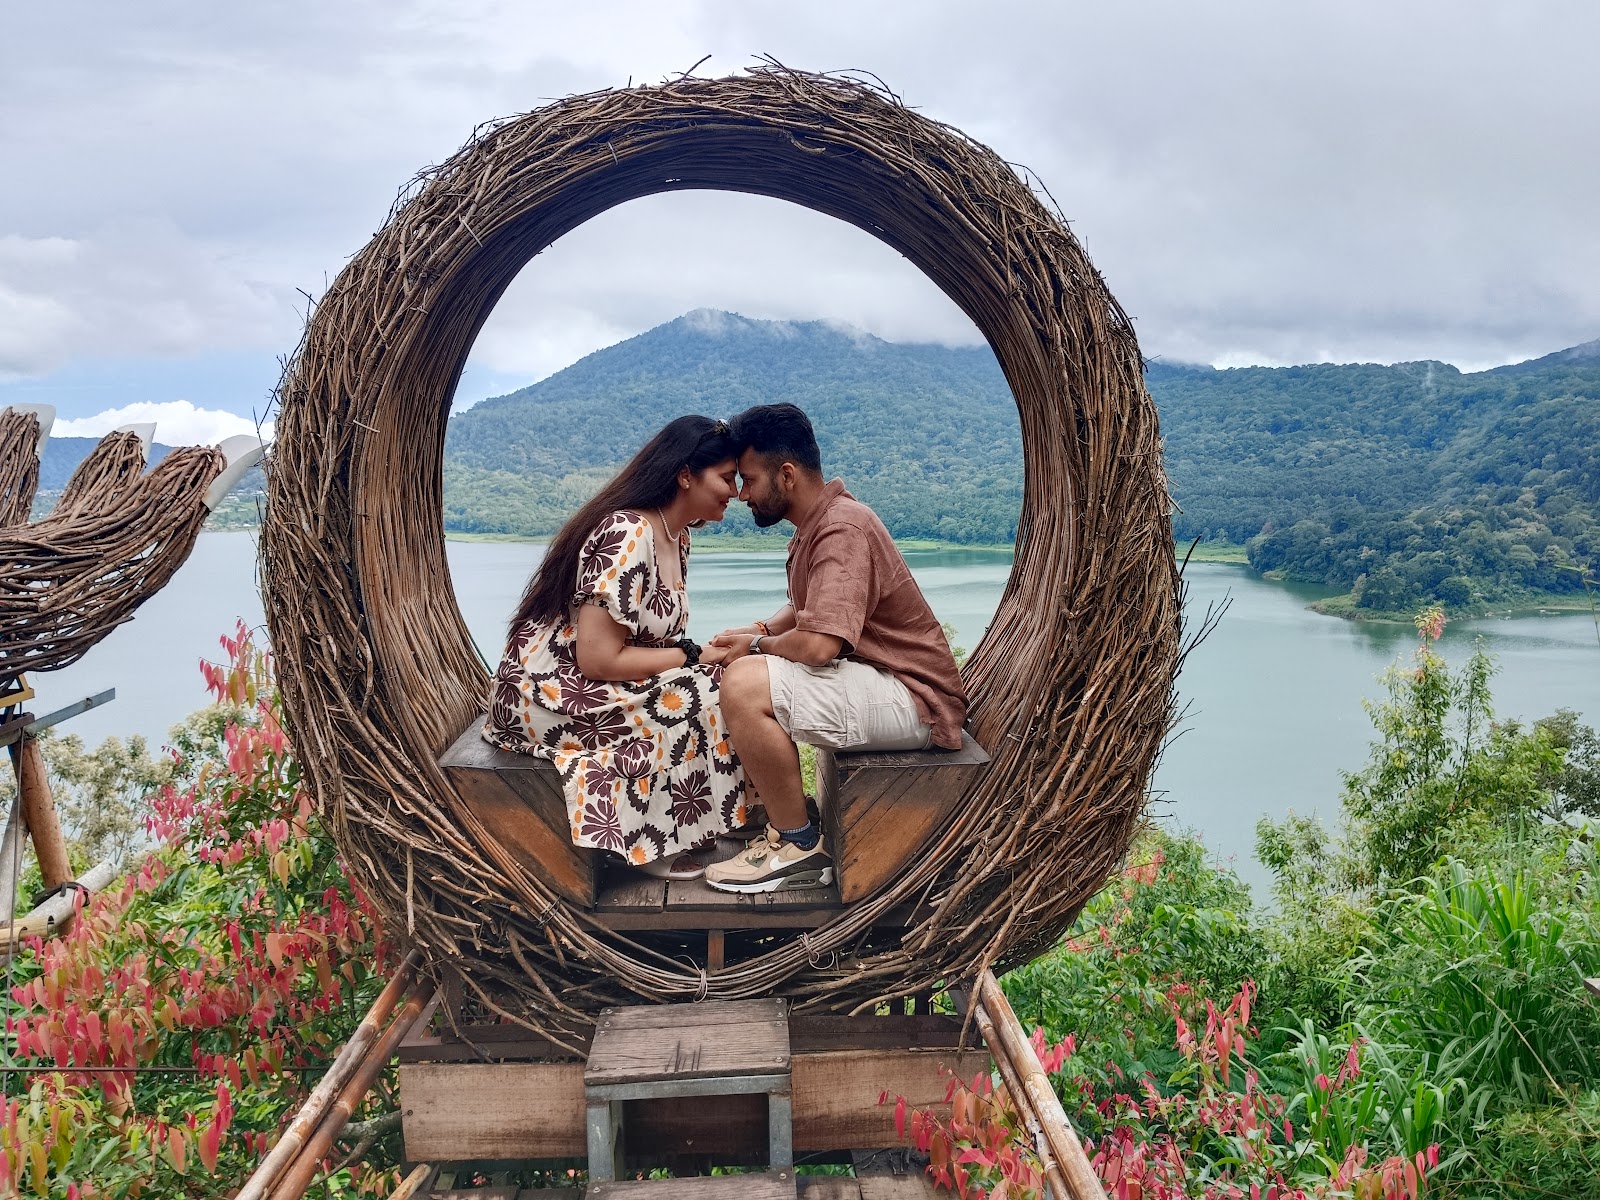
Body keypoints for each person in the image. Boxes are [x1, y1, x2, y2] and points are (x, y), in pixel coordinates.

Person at [703, 403, 968, 894]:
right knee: (732, 665)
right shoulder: (820, 524)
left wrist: (757, 646)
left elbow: (820, 643)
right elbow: (805, 609)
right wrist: (752, 631)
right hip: (885, 685)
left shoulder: (843, 528)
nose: (741, 494)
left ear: (786, 475)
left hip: (912, 699)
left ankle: (799, 845)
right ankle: (771, 818)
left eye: (748, 479)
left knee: (743, 683)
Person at [483, 415, 748, 881]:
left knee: (729, 679)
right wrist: (692, 656)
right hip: (551, 691)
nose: (736, 491)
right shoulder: (628, 534)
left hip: (597, 677)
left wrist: (700, 654)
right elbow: (598, 658)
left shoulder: (676, 535)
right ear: (686, 474)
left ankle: (702, 821)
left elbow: (648, 639)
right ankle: (654, 839)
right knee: (691, 694)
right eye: (727, 478)